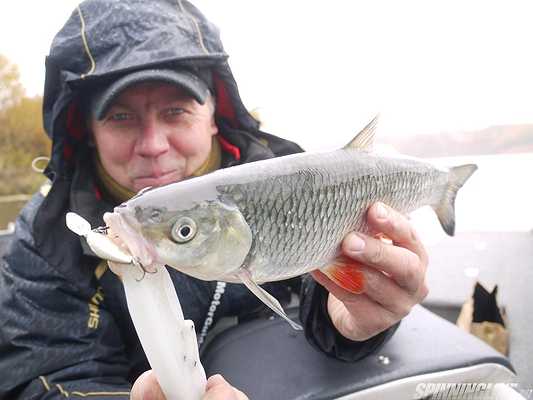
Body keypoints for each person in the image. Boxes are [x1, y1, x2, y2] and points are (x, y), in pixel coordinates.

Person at [0, 0, 428, 399]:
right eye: (121, 117)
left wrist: (355, 323)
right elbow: (49, 374)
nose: (153, 145)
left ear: (214, 117)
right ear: (87, 133)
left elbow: (326, 296)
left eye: (176, 112)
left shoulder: (293, 176)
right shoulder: (45, 239)